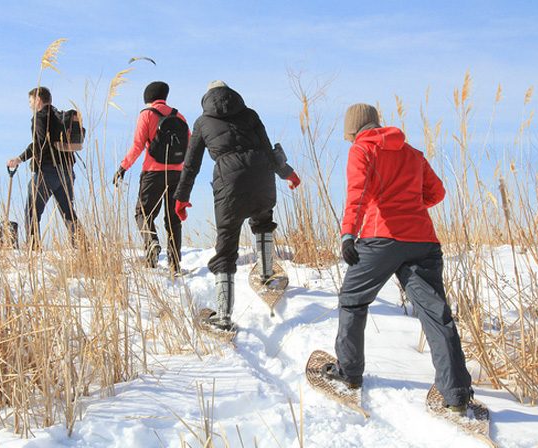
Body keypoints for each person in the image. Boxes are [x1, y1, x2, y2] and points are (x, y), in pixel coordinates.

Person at [323, 103, 473, 412]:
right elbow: (437, 192)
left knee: (352, 300)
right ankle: (456, 395)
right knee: (436, 314)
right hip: (422, 240)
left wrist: (348, 233)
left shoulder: (362, 150)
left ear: (354, 130)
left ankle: (349, 373)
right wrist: (411, 208)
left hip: (381, 238)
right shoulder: (413, 153)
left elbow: (358, 193)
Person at [174, 81, 301, 330]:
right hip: (261, 173)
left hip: (229, 179)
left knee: (227, 243)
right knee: (264, 220)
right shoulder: (250, 114)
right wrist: (289, 174)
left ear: (207, 98)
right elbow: (268, 149)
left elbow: (191, 165)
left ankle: (223, 317)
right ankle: (266, 276)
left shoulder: (202, 122)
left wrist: (182, 197)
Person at [113, 81, 189, 272]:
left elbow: (138, 146)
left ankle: (151, 244)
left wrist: (123, 167)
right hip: (177, 173)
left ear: (148, 97)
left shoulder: (146, 115)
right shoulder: (179, 116)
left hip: (153, 173)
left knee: (143, 213)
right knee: (173, 218)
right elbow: (189, 144)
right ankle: (175, 264)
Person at [7, 86, 82, 249]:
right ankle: (82, 247)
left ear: (38, 100)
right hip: (66, 172)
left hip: (46, 172)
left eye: (31, 101)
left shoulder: (40, 117)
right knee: (68, 212)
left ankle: (33, 250)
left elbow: (38, 145)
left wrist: (20, 159)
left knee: (31, 212)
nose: (30, 106)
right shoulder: (59, 116)